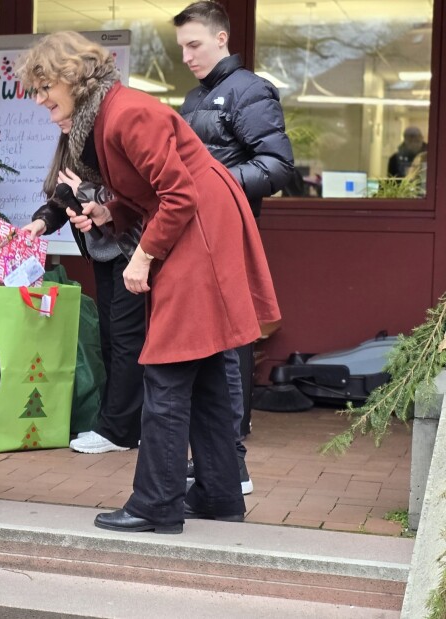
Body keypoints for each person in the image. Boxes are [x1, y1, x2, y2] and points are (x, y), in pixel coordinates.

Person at [16, 31, 280, 534]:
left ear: (72, 77)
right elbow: (155, 190)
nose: (45, 106)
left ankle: (155, 503)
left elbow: (177, 194)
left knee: (167, 365)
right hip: (198, 220)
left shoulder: (127, 113)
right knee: (199, 365)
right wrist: (109, 211)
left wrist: (142, 256)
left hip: (197, 226)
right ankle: (219, 493)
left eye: (48, 92)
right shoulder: (110, 112)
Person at [175, 0, 295, 495]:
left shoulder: (250, 90)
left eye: (194, 44)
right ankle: (214, 459)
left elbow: (278, 167)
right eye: (181, 47)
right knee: (204, 349)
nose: (186, 55)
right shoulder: (192, 99)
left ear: (222, 38)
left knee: (229, 349)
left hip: (229, 241)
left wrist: (212, 185)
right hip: (193, 241)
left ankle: (233, 464)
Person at [23, 119, 145, 454]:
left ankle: (121, 430)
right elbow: (60, 203)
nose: (55, 118)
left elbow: (133, 201)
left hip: (131, 252)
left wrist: (88, 195)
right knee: (110, 338)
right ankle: (117, 423)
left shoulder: (111, 149)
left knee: (126, 341)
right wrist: (41, 222)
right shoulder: (71, 150)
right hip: (104, 255)